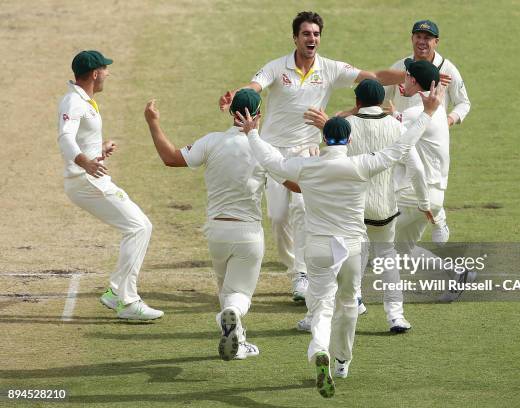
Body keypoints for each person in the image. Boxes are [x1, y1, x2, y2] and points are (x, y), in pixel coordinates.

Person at [236, 77, 444, 397]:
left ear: (324, 139)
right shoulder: (361, 165)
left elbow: (270, 161)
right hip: (351, 246)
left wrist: (251, 133)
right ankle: (343, 361)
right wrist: (429, 112)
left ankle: (319, 349)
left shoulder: (308, 167)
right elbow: (400, 148)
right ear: (347, 140)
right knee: (348, 304)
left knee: (321, 308)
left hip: (318, 246)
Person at [218, 11, 406, 314]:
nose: (312, 39)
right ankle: (295, 269)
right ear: (295, 37)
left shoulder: (330, 68)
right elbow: (255, 86)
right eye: (306, 34)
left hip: (309, 151)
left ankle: (302, 276)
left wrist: (412, 76)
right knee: (279, 217)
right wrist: (238, 97)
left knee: (304, 210)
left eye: (316, 34)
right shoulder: (277, 67)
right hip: (275, 152)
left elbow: (373, 77)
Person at [143, 89, 297, 360]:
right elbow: (296, 184)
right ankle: (234, 317)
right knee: (239, 295)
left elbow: (170, 158)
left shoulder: (211, 142)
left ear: (230, 112)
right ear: (258, 115)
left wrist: (153, 122)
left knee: (227, 290)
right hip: (248, 234)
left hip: (216, 233)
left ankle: (238, 342)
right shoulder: (264, 150)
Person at [305, 79, 433, 333]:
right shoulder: (396, 127)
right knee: (387, 258)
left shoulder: (347, 126)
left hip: (351, 210)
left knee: (336, 262)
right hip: (385, 207)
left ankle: (319, 316)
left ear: (357, 102)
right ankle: (396, 316)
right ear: (382, 103)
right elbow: (416, 169)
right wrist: (424, 203)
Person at [57, 50, 163, 320]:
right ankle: (125, 300)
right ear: (94, 73)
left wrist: (98, 151)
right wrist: (85, 162)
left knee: (140, 226)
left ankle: (118, 292)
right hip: (85, 180)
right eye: (105, 69)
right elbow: (65, 139)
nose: (108, 74)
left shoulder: (84, 100)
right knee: (139, 227)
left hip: (90, 175)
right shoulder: (74, 102)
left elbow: (79, 139)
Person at [393, 59, 476, 301]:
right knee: (403, 250)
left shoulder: (414, 113)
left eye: (407, 76)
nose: (403, 79)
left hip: (415, 195)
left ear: (414, 81)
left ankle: (344, 297)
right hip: (432, 196)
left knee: (366, 236)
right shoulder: (436, 110)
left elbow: (380, 129)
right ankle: (458, 273)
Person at [385, 19, 471, 245]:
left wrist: (447, 122)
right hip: (405, 135)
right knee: (402, 249)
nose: (422, 42)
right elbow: (380, 96)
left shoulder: (448, 70)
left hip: (421, 134)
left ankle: (435, 211)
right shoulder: (400, 66)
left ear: (436, 42)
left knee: (378, 228)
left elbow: (464, 103)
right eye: (418, 37)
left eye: (427, 38)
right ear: (412, 38)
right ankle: (435, 212)